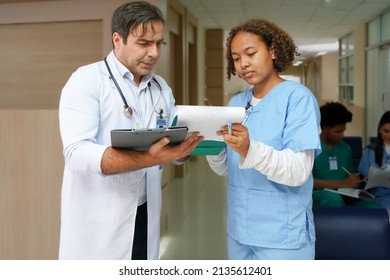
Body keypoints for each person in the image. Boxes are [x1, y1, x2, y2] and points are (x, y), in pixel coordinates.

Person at [58, 1, 203, 260]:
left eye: (158, 43)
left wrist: (184, 149)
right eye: (144, 43)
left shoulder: (161, 88)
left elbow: (171, 148)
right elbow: (77, 154)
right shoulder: (86, 81)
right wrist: (151, 158)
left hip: (144, 214)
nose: (154, 53)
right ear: (118, 39)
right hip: (98, 225)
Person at [206, 19, 321, 260]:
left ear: (273, 50)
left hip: (283, 236)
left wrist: (249, 148)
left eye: (250, 53)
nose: (243, 64)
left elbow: (299, 171)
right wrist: (210, 139)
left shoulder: (298, 99)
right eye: (236, 58)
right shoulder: (236, 103)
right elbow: (227, 167)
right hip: (240, 231)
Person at [312, 102, 379, 208]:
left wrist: (358, 179)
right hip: (319, 194)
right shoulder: (311, 149)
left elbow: (349, 177)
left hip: (342, 194)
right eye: (337, 132)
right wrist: (343, 183)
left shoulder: (345, 149)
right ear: (324, 128)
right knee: (333, 199)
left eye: (343, 131)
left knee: (373, 208)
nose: (342, 135)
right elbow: (308, 183)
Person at [358, 111, 390, 208]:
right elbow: (362, 178)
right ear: (379, 129)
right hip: (379, 196)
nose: (389, 136)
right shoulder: (370, 151)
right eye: (386, 131)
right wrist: (367, 179)